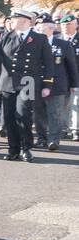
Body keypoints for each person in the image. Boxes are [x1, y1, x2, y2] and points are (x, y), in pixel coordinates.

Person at [0, 9, 53, 162]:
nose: (11, 21)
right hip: (8, 81)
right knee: (10, 117)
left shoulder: (39, 38)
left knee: (23, 115)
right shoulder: (6, 36)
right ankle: (13, 149)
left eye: (15, 19)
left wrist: (47, 84)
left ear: (25, 20)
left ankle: (26, 148)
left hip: (28, 82)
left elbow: (49, 63)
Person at [38, 16, 77, 151]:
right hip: (37, 83)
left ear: (51, 29)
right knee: (39, 113)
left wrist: (74, 84)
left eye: (42, 28)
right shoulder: (32, 44)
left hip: (58, 84)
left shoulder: (63, 45)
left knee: (55, 113)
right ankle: (41, 138)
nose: (39, 31)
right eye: (37, 28)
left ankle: (53, 140)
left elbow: (71, 66)